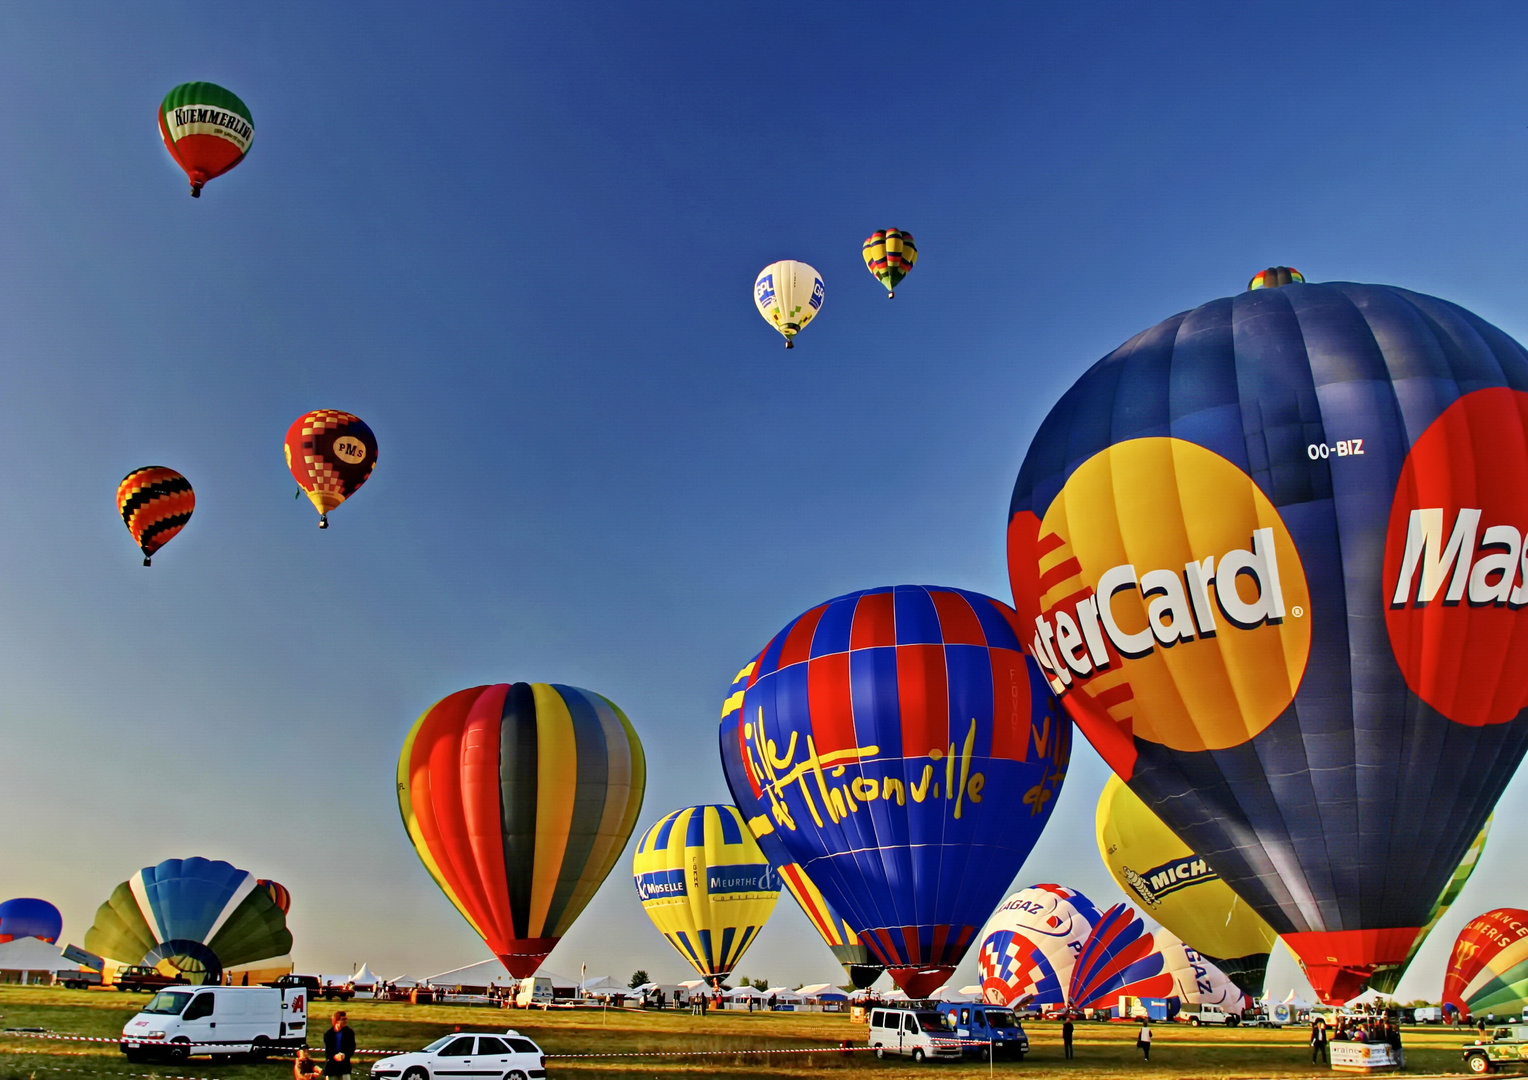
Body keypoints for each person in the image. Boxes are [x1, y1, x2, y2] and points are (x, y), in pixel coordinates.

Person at [323, 1011, 356, 1078]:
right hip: (332, 1066)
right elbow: (328, 1050)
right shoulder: (328, 1034)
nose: (345, 1021)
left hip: (344, 1066)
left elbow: (352, 1047)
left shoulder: (349, 1032)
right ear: (337, 1020)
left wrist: (344, 1055)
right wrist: (335, 1056)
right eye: (343, 1019)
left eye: (346, 1019)